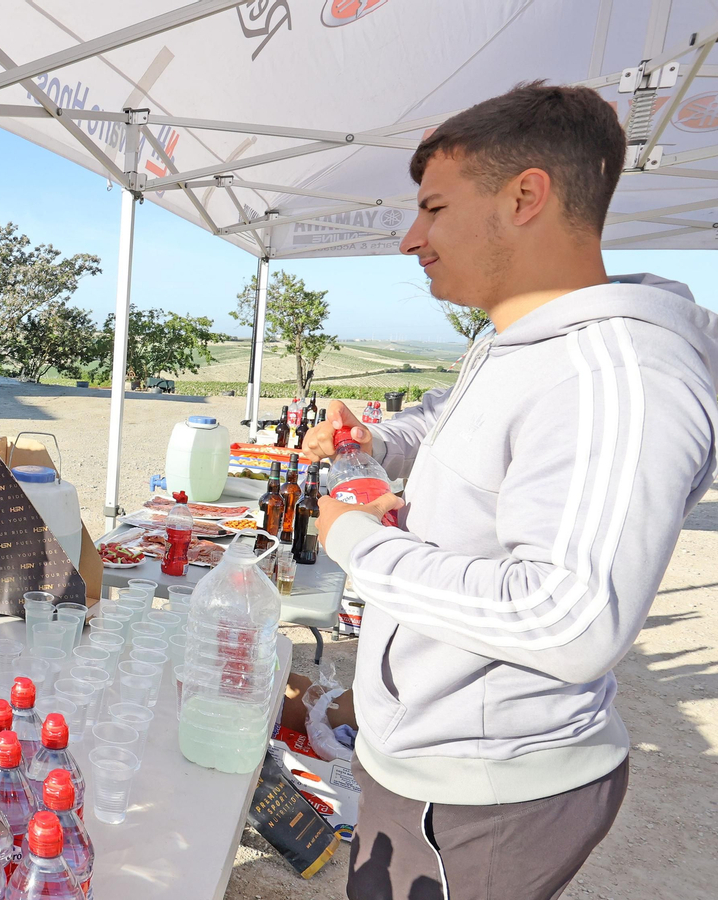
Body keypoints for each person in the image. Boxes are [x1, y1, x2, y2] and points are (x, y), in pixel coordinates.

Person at [304, 83, 718, 900]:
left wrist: (356, 541)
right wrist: (376, 442)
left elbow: (569, 618)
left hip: (487, 792)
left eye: (433, 208)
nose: (409, 239)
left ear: (526, 195)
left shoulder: (620, 377)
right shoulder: (515, 339)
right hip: (428, 761)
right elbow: (449, 425)